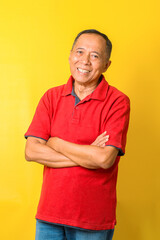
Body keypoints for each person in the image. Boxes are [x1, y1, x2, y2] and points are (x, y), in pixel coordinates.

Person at [25, 29, 130, 240]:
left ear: (107, 64)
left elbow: (103, 159)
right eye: (80, 52)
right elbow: (32, 151)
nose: (85, 61)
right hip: (48, 216)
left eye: (95, 55)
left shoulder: (118, 102)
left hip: (93, 221)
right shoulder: (51, 97)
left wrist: (55, 143)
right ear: (70, 54)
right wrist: (87, 154)